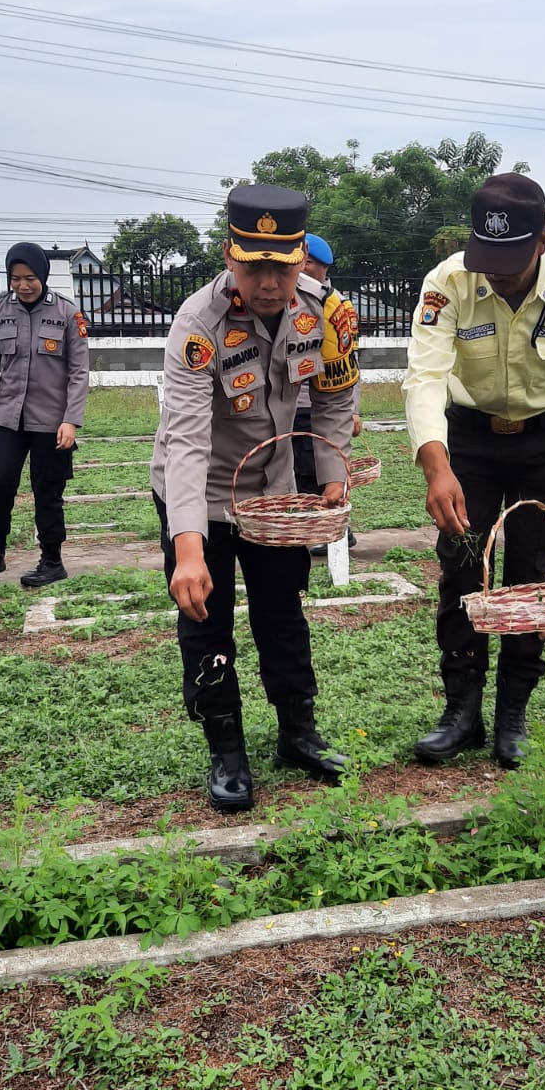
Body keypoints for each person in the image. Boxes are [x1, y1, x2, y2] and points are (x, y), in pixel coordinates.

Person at [402, 172, 545, 769]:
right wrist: (435, 464)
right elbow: (425, 376)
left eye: (510, 258)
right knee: (461, 568)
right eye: (486, 256)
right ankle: (461, 712)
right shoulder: (446, 282)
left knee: (531, 574)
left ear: (543, 239)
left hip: (543, 441)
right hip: (468, 442)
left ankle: (513, 715)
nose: (495, 271)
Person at [151, 185, 360, 812]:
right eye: (253, 266)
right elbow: (185, 440)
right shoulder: (197, 326)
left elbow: (335, 397)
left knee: (283, 612)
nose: (269, 283)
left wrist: (330, 474)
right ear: (228, 257)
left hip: (274, 492)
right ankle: (227, 749)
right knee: (205, 620)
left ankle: (298, 733)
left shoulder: (325, 312)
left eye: (283, 266)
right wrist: (188, 549)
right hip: (202, 493)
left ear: (303, 258)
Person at [0, 242, 90, 587]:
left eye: (30, 277)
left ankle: (52, 561)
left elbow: (79, 372)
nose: (22, 285)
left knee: (47, 490)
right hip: (7, 418)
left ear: (43, 276)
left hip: (51, 421)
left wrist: (71, 420)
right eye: (15, 278)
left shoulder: (66, 314)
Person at [292, 233, 363, 555]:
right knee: (299, 471)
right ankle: (317, 528)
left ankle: (333, 530)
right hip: (290, 408)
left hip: (318, 405)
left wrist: (354, 410)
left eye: (310, 264)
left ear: (324, 268)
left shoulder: (336, 308)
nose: (303, 270)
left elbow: (349, 368)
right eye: (301, 262)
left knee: (317, 471)